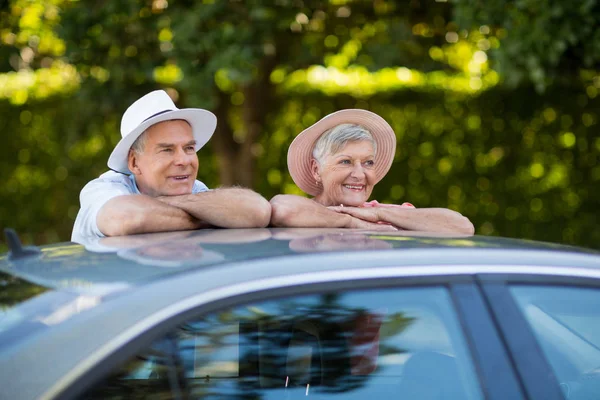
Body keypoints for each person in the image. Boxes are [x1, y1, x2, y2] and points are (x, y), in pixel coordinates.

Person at [72, 90, 271, 243]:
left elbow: (258, 210)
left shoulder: (192, 191)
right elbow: (127, 217)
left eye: (189, 148)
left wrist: (174, 205)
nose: (184, 160)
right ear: (134, 162)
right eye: (167, 150)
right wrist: (215, 217)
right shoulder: (104, 188)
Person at [270, 109, 474, 234]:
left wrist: (378, 213)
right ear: (316, 169)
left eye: (368, 163)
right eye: (346, 161)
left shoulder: (384, 216)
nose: (359, 174)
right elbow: (281, 208)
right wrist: (351, 222)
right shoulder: (300, 212)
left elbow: (462, 227)